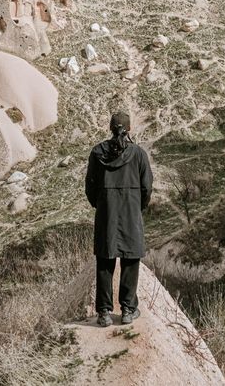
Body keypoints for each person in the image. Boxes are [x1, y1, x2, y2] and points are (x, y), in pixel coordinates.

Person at [85, 111, 153, 327]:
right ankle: (127, 310)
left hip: (107, 213)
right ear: (129, 128)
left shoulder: (97, 152)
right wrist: (137, 206)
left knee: (105, 260)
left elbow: (90, 187)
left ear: (110, 128)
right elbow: (147, 188)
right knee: (130, 260)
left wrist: (102, 204)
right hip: (131, 212)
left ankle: (104, 312)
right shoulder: (139, 154)